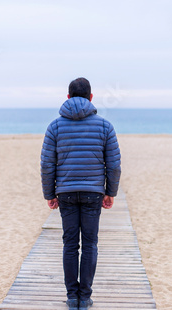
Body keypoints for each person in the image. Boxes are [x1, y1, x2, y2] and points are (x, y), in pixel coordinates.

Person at [40, 77, 121, 310]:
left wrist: (49, 193)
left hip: (65, 193)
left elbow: (47, 164)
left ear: (68, 97)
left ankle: (71, 296)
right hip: (93, 193)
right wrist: (110, 192)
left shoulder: (55, 126)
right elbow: (113, 164)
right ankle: (84, 298)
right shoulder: (105, 126)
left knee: (69, 244)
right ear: (91, 97)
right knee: (90, 244)